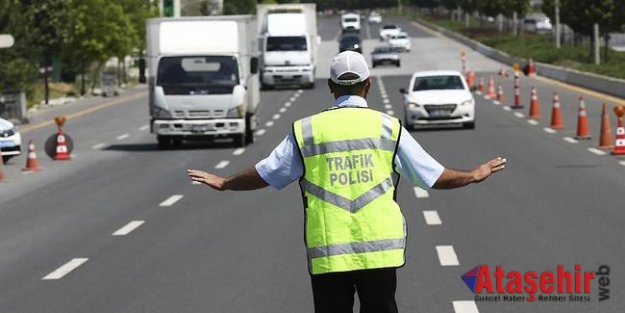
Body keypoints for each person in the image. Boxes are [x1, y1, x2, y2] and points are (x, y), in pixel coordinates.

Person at [187, 51, 506, 313]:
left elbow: (268, 172)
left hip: (329, 252)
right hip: (380, 252)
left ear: (331, 86)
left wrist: (226, 182)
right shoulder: (387, 128)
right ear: (368, 84)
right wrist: (472, 175)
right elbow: (431, 175)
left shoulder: (307, 130)